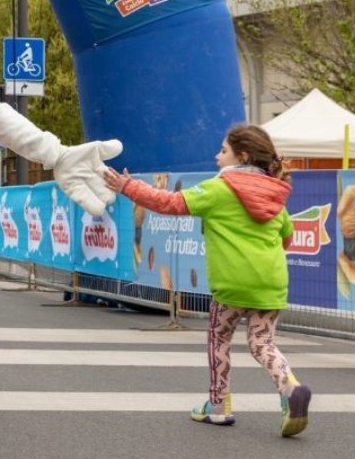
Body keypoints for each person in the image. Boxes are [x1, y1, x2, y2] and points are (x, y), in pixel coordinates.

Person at [103, 124, 310, 438]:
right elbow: (286, 237)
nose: (217, 156)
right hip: (272, 281)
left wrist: (129, 187)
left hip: (232, 283)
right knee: (263, 343)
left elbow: (169, 203)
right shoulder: (275, 192)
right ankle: (289, 386)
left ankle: (218, 406)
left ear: (242, 155)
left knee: (219, 340)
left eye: (223, 150)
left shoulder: (220, 188)